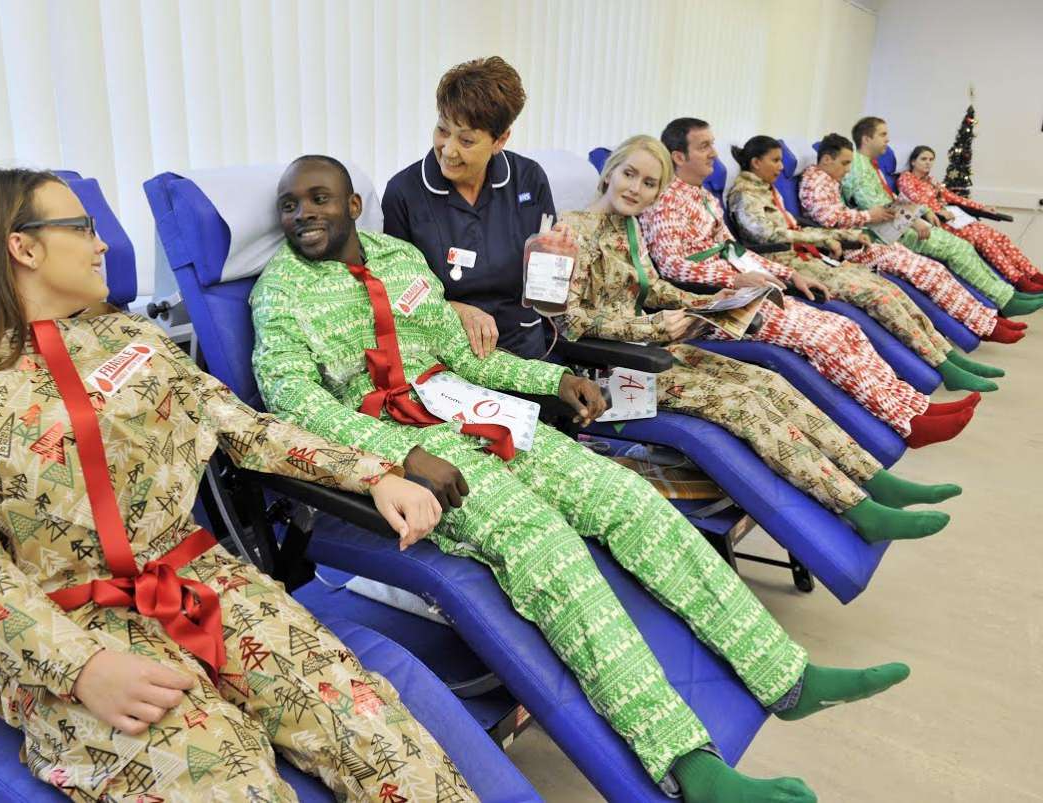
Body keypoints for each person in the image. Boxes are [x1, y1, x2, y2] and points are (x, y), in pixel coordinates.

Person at [252, 153, 914, 803]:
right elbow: (296, 404)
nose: (303, 213)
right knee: (548, 544)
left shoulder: (398, 261)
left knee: (627, 496)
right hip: (402, 452)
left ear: (353, 206)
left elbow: (459, 360)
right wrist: (397, 459)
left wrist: (553, 380)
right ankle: (687, 760)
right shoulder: (279, 291)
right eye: (289, 204)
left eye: (319, 198)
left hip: (468, 409)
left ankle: (785, 673)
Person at [0, 168, 477, 803]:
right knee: (226, 784)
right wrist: (79, 668)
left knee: (385, 746)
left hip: (207, 585)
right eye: (82, 228)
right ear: (23, 248)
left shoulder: (134, 339)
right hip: (76, 627)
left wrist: (375, 475)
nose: (103, 244)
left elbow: (248, 430)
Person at [562, 135, 957, 539]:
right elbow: (568, 323)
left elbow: (653, 289)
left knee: (770, 382)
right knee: (744, 404)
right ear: (610, 172)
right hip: (603, 386)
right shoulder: (568, 233)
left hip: (650, 354)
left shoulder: (627, 228)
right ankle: (858, 510)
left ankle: (872, 480)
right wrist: (653, 327)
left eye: (649, 183)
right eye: (629, 174)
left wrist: (714, 301)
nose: (636, 189)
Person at [641, 118, 973, 448]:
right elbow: (673, 268)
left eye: (712, 144)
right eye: (704, 146)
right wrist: (736, 279)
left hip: (744, 292)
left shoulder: (702, 197)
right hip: (711, 307)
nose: (714, 153)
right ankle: (906, 425)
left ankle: (914, 407)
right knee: (824, 338)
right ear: (678, 156)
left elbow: (735, 251)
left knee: (844, 327)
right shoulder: (666, 202)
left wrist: (789, 275)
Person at [726, 134, 1015, 387]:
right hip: (789, 264)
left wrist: (824, 239)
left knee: (889, 289)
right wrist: (824, 238)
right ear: (755, 163)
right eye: (775, 161)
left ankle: (945, 356)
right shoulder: (744, 194)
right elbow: (767, 236)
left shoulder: (767, 188)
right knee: (878, 296)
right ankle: (937, 364)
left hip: (810, 256)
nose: (781, 167)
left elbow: (796, 228)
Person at [382, 56, 561, 359]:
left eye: (466, 140)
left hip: (524, 349)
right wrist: (456, 309)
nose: (448, 150)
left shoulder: (529, 179)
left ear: (500, 139)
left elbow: (546, 291)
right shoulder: (405, 192)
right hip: (447, 352)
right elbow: (399, 292)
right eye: (442, 130)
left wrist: (560, 258)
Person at [801, 134, 1026, 356]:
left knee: (935, 269)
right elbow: (828, 219)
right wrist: (868, 216)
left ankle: (986, 320)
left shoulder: (828, 180)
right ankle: (984, 325)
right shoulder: (815, 182)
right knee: (926, 272)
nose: (848, 169)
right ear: (827, 160)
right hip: (852, 247)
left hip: (864, 239)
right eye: (844, 163)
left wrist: (868, 218)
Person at [840, 116, 1043, 317]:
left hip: (901, 224)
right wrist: (916, 220)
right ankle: (1005, 300)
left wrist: (922, 211)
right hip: (890, 232)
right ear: (866, 139)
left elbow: (890, 199)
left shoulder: (871, 166)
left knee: (964, 246)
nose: (887, 140)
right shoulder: (859, 166)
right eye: (883, 134)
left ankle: (1007, 295)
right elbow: (876, 206)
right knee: (957, 249)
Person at [898, 145, 1043, 292]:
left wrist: (981, 207)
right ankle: (1019, 280)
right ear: (913, 162)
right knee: (984, 239)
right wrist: (938, 211)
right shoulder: (906, 178)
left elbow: (952, 197)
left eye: (931, 159)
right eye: (923, 159)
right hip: (938, 221)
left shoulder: (931, 181)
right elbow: (916, 200)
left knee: (999, 237)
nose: (928, 162)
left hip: (955, 218)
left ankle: (1033, 274)